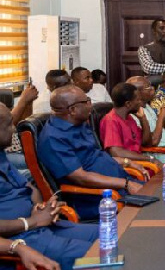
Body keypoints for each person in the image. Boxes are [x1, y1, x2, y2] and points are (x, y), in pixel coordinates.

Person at [0, 103, 98, 270]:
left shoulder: (2, 155)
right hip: (21, 238)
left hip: (42, 226)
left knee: (115, 235)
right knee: (106, 255)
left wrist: (41, 208)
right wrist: (31, 222)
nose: (14, 129)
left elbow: (30, 189)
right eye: (9, 124)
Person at [38, 85, 145, 220]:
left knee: (164, 194)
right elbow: (81, 177)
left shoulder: (79, 123)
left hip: (121, 185)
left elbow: (98, 157)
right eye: (87, 101)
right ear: (72, 110)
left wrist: (127, 162)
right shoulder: (53, 138)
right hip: (99, 198)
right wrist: (125, 184)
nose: (91, 105)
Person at [99, 83, 159, 165]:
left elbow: (147, 143)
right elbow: (117, 153)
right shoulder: (111, 120)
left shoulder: (129, 118)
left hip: (141, 164)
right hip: (127, 168)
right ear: (128, 104)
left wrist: (143, 119)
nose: (141, 103)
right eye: (138, 100)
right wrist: (149, 159)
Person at [127, 76, 165, 149]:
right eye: (148, 87)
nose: (153, 89)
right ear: (137, 93)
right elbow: (153, 141)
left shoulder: (147, 106)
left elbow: (163, 134)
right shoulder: (135, 113)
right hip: (157, 153)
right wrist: (161, 117)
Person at [5, 84, 38, 180]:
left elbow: (22, 123)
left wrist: (28, 102)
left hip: (20, 148)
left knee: (44, 160)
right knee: (38, 169)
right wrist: (23, 100)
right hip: (7, 153)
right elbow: (7, 123)